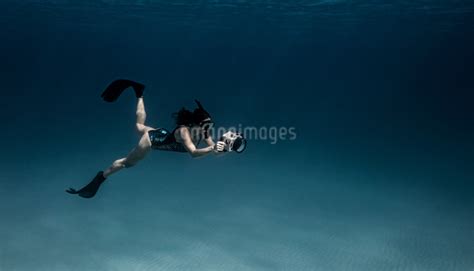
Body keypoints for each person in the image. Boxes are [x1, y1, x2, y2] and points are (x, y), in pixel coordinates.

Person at [66, 79, 226, 198]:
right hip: (152, 141)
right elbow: (194, 153)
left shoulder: (203, 132)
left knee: (138, 127)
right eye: (205, 125)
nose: (208, 129)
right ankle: (100, 178)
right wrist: (212, 148)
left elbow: (215, 151)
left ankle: (139, 93)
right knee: (127, 163)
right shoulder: (184, 132)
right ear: (194, 124)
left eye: (210, 125)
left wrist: (226, 147)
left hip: (163, 134)